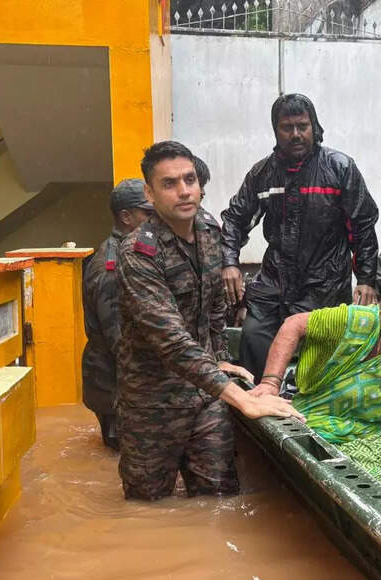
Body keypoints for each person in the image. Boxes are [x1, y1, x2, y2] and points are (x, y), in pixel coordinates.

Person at [116, 140, 303, 501]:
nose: (184, 191)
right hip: (152, 406)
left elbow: (215, 302)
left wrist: (219, 354)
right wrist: (240, 398)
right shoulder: (139, 253)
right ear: (150, 193)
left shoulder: (207, 229)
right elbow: (170, 339)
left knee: (219, 501)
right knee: (146, 509)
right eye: (169, 183)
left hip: (206, 397)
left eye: (189, 179)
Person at [220, 93, 380, 381]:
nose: (296, 134)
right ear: (276, 130)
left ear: (314, 127)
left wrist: (367, 278)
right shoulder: (263, 173)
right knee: (254, 338)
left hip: (325, 282)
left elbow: (363, 223)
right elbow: (235, 218)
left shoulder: (339, 168)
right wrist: (229, 261)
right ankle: (255, 407)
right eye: (287, 127)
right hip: (274, 281)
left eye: (302, 126)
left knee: (317, 362)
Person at [248, 277, 381, 503]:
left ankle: (379, 503)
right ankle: (356, 489)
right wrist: (270, 384)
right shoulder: (355, 320)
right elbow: (294, 324)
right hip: (316, 423)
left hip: (368, 432)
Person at [81, 178, 153, 450]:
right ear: (126, 216)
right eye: (148, 213)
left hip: (124, 385)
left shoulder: (134, 252)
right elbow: (119, 341)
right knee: (126, 460)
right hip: (114, 386)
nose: (154, 220)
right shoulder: (110, 267)